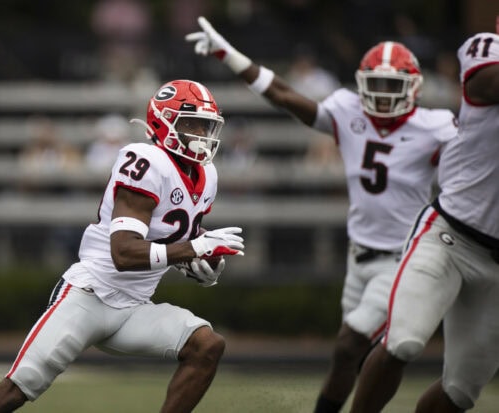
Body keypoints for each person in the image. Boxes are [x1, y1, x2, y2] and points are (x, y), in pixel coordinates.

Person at [185, 17, 457, 413]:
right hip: (359, 254)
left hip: (403, 259)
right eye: (375, 85)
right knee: (347, 356)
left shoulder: (434, 126)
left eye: (391, 86)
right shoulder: (347, 109)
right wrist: (229, 54)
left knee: (352, 342)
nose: (381, 96)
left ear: (413, 88)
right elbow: (282, 94)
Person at [0, 79, 245, 413]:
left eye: (206, 126)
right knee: (9, 396)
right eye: (191, 124)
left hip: (135, 307)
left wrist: (197, 261)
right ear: (162, 122)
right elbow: (123, 252)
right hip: (89, 296)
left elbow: (173, 235)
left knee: (206, 346)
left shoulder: (207, 175)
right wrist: (192, 249)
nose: (200, 135)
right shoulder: (146, 159)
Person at [348, 28, 499, 413]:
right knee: (404, 342)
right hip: (450, 237)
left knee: (460, 392)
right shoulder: (486, 51)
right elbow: (486, 81)